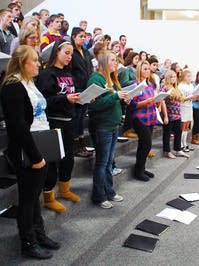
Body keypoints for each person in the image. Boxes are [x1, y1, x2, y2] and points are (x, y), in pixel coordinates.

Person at [0, 45, 60, 260]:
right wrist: (35, 156)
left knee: (35, 195)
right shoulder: (13, 85)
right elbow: (18, 126)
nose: (38, 63)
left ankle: (39, 234)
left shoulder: (29, 82)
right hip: (28, 147)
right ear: (21, 63)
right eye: (34, 60)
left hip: (41, 141)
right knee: (28, 198)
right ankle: (28, 243)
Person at [36, 40, 81, 213]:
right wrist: (65, 99)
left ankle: (64, 190)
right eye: (67, 53)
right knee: (52, 160)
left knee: (68, 158)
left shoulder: (69, 74)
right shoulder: (47, 74)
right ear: (57, 52)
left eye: (71, 53)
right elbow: (45, 101)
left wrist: (81, 98)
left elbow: (69, 95)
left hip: (69, 120)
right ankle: (48, 197)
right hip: (54, 121)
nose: (70, 57)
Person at [87, 50, 129, 208]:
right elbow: (95, 104)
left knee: (109, 161)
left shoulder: (112, 78)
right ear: (104, 61)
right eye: (112, 60)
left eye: (116, 60)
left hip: (112, 124)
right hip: (102, 126)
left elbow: (114, 101)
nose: (115, 62)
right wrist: (116, 96)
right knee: (102, 162)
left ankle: (109, 191)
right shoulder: (96, 78)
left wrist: (124, 99)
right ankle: (99, 196)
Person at [131, 60, 157, 182]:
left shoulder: (150, 84)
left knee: (143, 145)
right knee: (147, 144)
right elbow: (133, 105)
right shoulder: (135, 84)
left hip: (150, 117)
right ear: (139, 70)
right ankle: (138, 171)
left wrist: (155, 100)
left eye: (148, 69)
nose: (147, 71)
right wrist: (146, 102)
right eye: (144, 69)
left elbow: (152, 100)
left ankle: (141, 168)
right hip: (139, 118)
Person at [70, 27, 93, 157]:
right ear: (73, 37)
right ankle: (76, 146)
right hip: (77, 87)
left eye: (84, 36)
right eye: (81, 36)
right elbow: (71, 70)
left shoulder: (85, 51)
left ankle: (81, 145)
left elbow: (89, 69)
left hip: (86, 87)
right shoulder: (71, 52)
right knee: (76, 117)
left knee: (82, 115)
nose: (83, 38)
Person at [161, 70, 189, 159]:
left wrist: (194, 96)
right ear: (168, 78)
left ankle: (178, 150)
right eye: (171, 77)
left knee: (178, 132)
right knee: (167, 133)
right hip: (169, 114)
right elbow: (162, 102)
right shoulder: (165, 87)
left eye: (174, 77)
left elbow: (182, 99)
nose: (173, 78)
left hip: (177, 114)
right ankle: (167, 151)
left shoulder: (176, 88)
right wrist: (165, 116)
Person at [178, 69, 198, 152]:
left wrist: (197, 96)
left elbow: (193, 96)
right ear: (183, 76)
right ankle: (181, 145)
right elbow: (181, 99)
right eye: (188, 76)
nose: (190, 78)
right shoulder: (180, 86)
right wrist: (191, 97)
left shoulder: (191, 85)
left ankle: (185, 144)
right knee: (183, 126)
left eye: (190, 76)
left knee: (187, 126)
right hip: (183, 107)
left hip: (189, 106)